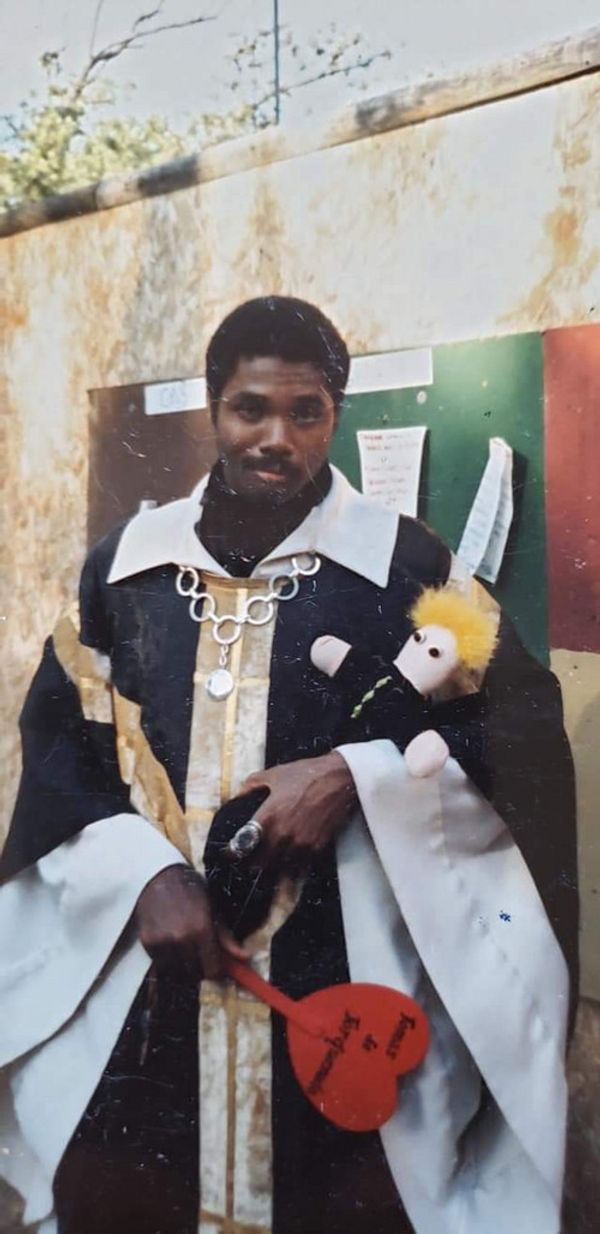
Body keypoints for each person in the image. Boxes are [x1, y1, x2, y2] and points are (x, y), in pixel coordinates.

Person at [0, 296, 578, 1234]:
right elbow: (64, 748)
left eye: (304, 412)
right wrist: (141, 875)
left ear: (334, 414)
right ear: (215, 408)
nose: (276, 437)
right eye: (249, 409)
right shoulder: (125, 569)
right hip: (153, 985)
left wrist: (360, 774)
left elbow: (522, 728)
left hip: (341, 992)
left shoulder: (405, 566)